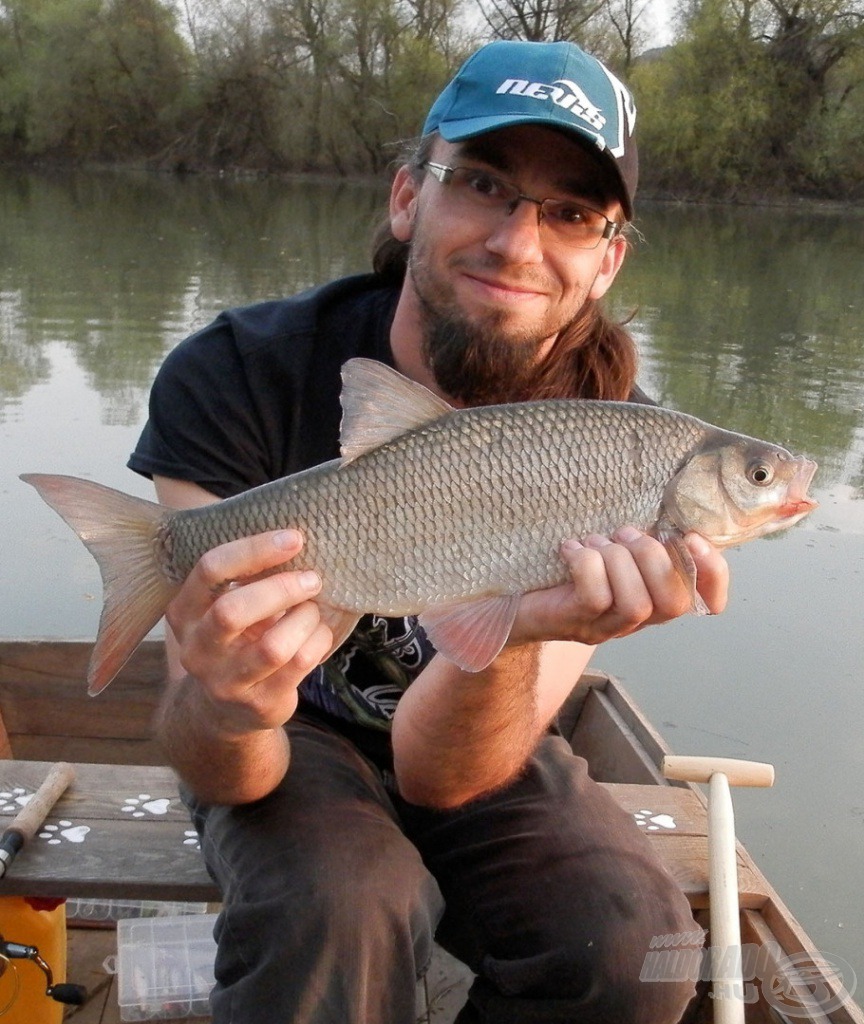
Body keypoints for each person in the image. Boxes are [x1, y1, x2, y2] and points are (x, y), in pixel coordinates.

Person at [129, 39, 728, 1024]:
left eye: (572, 213)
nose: (518, 243)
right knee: (344, 903)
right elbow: (223, 756)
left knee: (632, 938)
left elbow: (444, 773)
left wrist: (528, 629)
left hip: (479, 725)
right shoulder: (236, 373)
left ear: (607, 259)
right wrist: (230, 700)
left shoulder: (622, 446)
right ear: (408, 197)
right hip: (296, 734)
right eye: (484, 184)